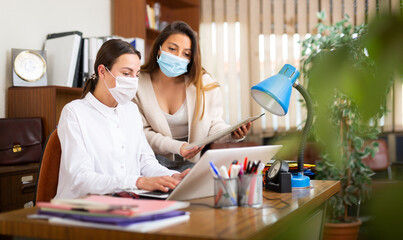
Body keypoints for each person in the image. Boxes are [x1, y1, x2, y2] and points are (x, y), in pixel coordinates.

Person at [55, 39, 189, 199]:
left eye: (136, 74)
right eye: (126, 73)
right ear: (102, 71)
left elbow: (146, 162)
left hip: (126, 202)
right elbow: (80, 179)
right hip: (83, 205)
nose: (133, 80)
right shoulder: (74, 112)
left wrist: (171, 177)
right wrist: (138, 182)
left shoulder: (131, 110)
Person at [134, 21, 251, 172]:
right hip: (150, 162)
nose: (178, 57)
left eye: (186, 53)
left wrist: (232, 134)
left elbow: (214, 126)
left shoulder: (204, 84)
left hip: (193, 163)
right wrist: (178, 147)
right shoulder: (138, 82)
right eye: (172, 49)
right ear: (159, 48)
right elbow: (142, 132)